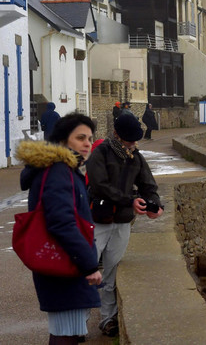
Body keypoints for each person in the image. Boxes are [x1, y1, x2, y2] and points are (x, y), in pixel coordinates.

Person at [16, 113, 102, 344]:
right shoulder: (58, 172)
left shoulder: (61, 169)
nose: (87, 143)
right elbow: (61, 222)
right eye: (80, 137)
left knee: (69, 332)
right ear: (64, 141)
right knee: (66, 335)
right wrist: (88, 265)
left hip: (63, 264)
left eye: (90, 138)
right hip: (64, 266)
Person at [86, 112, 163, 337]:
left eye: (135, 140)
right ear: (117, 135)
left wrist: (155, 205)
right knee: (88, 271)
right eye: (130, 140)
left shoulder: (135, 157)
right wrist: (130, 200)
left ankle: (109, 319)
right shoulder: (100, 153)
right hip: (98, 219)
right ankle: (79, 322)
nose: (134, 143)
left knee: (110, 272)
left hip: (121, 222)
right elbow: (99, 186)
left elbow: (149, 184)